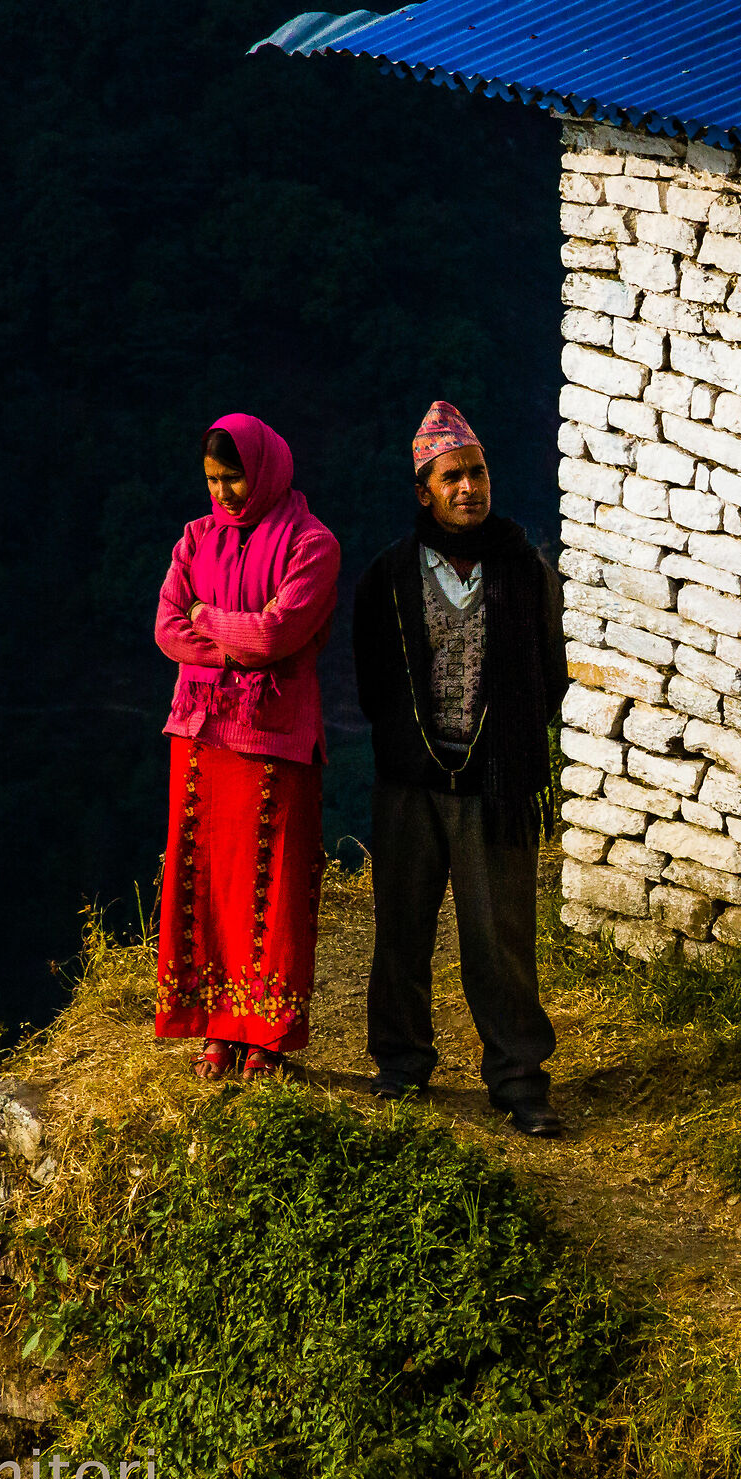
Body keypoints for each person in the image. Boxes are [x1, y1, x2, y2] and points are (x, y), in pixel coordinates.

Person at [352, 402, 568, 1136]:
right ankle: (402, 1066)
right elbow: (374, 680)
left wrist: (503, 748)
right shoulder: (389, 576)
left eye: (477, 473)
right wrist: (413, 748)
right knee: (401, 930)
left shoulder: (525, 571)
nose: (470, 488)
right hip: (410, 783)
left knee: (498, 937)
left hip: (495, 787)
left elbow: (550, 674)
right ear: (425, 492)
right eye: (453, 478)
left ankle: (518, 1080)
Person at [152, 415, 341, 1080]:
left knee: (271, 887)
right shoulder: (195, 539)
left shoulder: (311, 544)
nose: (225, 492)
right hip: (201, 739)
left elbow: (277, 636)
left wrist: (208, 619)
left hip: (274, 743)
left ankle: (264, 1034)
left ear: (262, 471)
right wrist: (239, 638)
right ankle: (216, 1025)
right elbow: (166, 630)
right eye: (212, 480)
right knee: (206, 886)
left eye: (234, 477)